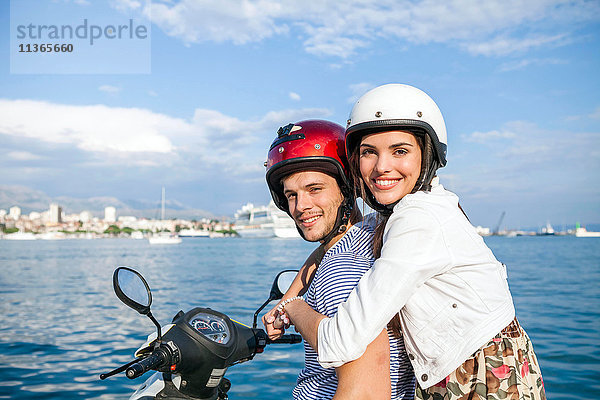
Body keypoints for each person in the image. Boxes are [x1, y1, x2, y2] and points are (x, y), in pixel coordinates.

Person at [277, 85, 546, 400]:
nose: (381, 167)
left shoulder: (416, 221)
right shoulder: (400, 212)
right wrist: (290, 292)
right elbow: (332, 246)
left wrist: (294, 307)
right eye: (369, 152)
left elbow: (341, 343)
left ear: (427, 153)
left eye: (400, 151)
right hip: (466, 373)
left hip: (483, 383)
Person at [264, 119, 415, 399]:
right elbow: (320, 256)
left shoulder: (342, 273)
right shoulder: (371, 229)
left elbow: (365, 394)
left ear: (347, 188)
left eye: (315, 189)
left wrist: (294, 306)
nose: (301, 207)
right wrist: (287, 298)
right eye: (292, 195)